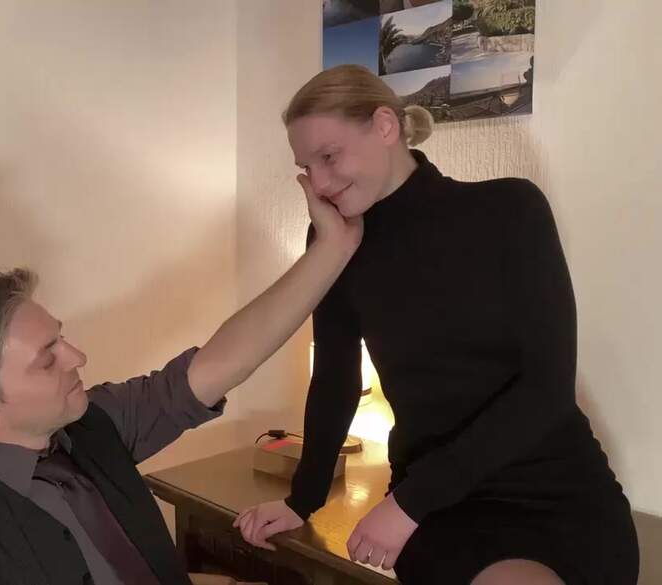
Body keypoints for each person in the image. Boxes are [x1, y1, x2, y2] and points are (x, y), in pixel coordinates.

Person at [234, 64, 639, 585]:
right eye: (306, 168)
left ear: (385, 126)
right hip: (447, 514)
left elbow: (546, 390)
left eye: (328, 156)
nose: (320, 182)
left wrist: (408, 504)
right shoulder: (334, 243)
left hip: (555, 489)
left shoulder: (510, 210)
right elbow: (335, 378)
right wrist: (303, 499)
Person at [0, 172, 362, 585]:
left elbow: (223, 362)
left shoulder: (89, 424)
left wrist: (332, 249)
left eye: (61, 338)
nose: (78, 357)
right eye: (47, 359)